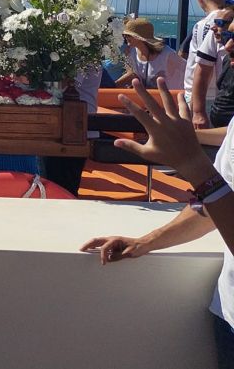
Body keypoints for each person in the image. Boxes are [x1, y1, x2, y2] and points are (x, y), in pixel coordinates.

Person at [80, 78, 234, 366]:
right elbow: (218, 201)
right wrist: (147, 241)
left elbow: (215, 190)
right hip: (227, 313)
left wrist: (193, 164)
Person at [186, 0, 229, 129]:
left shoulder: (203, 26)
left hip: (205, 98)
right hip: (221, 95)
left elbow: (201, 68)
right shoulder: (227, 21)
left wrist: (197, 111)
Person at [114, 17, 186, 90]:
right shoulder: (130, 52)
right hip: (146, 97)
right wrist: (113, 85)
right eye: (124, 35)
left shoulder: (167, 55)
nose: (125, 37)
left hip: (169, 97)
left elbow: (187, 72)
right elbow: (132, 74)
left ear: (139, 38)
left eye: (128, 35)